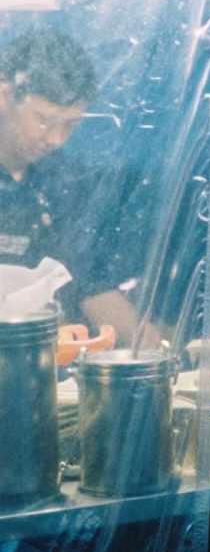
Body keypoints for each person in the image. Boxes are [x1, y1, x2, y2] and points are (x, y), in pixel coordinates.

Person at [0, 27, 141, 342]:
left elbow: (94, 285)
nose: (56, 139)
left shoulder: (64, 182)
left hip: (47, 369)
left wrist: (159, 356)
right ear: (6, 94)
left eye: (70, 125)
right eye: (46, 121)